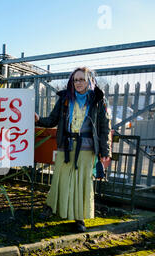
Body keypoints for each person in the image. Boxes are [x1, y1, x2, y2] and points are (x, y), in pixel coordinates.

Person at [35, 67, 111, 232]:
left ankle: (79, 218)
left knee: (82, 182)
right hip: (66, 145)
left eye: (81, 79)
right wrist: (39, 120)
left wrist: (106, 151)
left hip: (86, 148)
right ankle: (52, 207)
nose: (78, 83)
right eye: (75, 80)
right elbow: (53, 119)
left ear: (89, 80)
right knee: (60, 179)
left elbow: (105, 128)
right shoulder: (65, 99)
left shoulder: (98, 100)